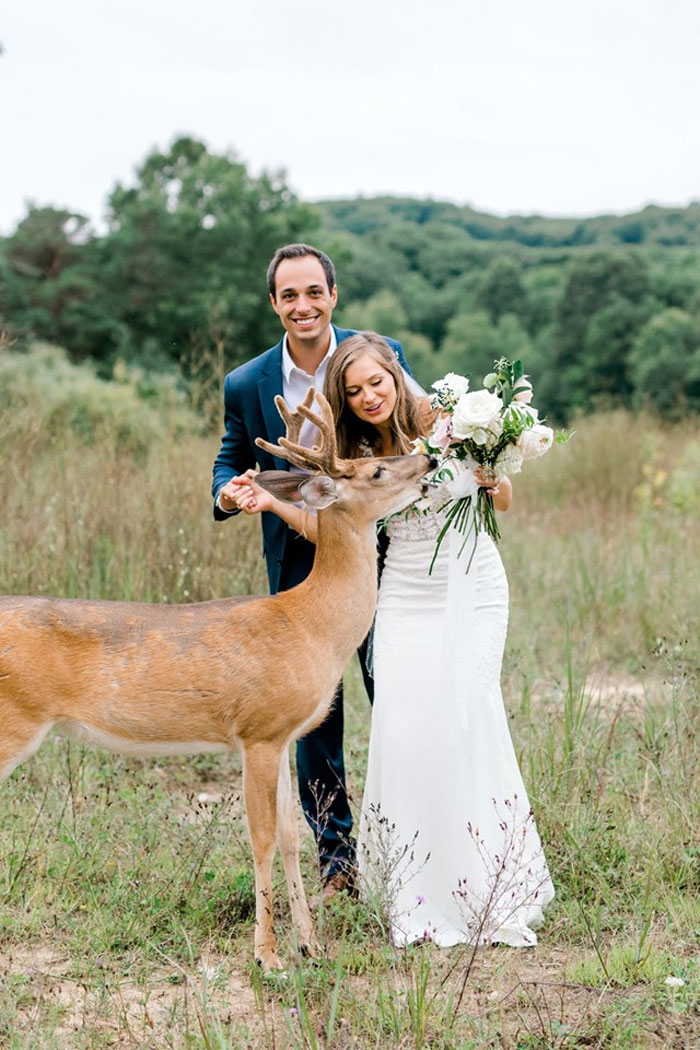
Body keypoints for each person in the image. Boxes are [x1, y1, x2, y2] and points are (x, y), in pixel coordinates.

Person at [234, 330, 554, 947]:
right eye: (353, 391)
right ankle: (412, 886)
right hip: (404, 589)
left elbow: (504, 500)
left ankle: (489, 880)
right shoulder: (351, 453)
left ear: (395, 376)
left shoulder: (454, 425)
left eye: (377, 383)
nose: (368, 396)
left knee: (468, 718)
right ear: (345, 399)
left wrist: (493, 478)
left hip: (473, 584)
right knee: (404, 725)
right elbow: (337, 527)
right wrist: (274, 506)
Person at [211, 246, 411, 898]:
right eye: (289, 296)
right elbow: (231, 458)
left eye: (313, 293)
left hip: (388, 560)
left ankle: (408, 847)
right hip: (301, 568)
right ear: (275, 303)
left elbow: (412, 437)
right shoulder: (246, 382)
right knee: (314, 724)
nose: (303, 306)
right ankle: (338, 865)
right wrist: (231, 494)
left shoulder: (377, 354)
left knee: (399, 699)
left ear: (332, 295)